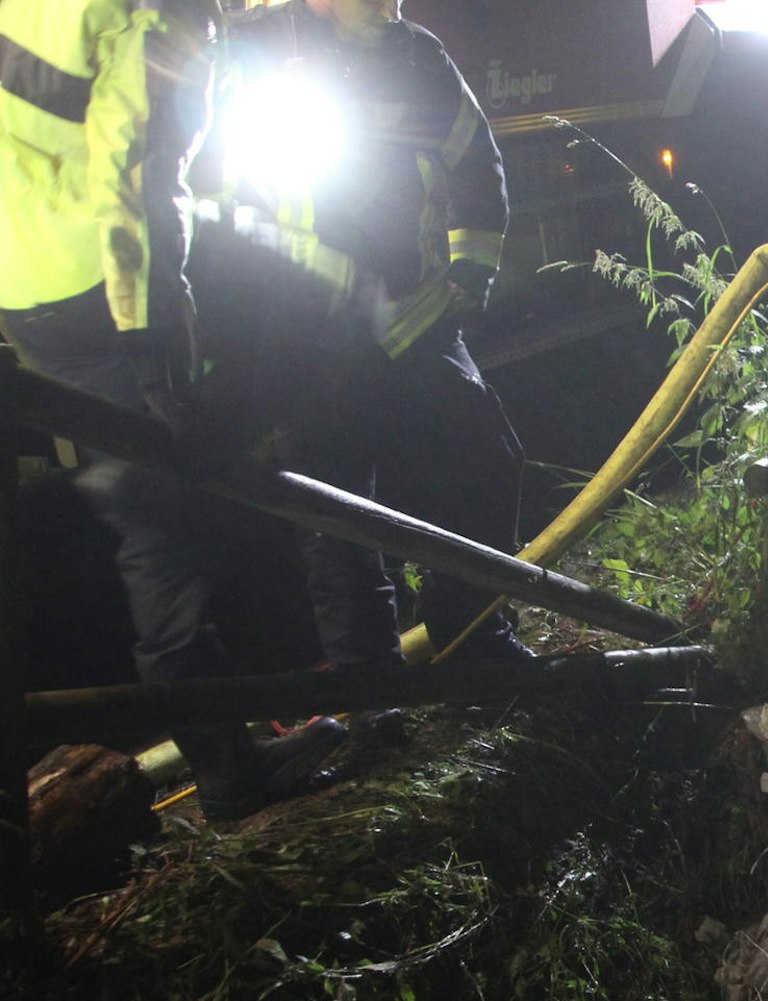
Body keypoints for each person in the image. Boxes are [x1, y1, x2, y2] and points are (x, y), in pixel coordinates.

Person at [0, 0, 347, 821]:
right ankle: (229, 772)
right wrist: (151, 332)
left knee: (140, 508)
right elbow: (134, 169)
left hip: (25, 288)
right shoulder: (157, 11)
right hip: (99, 289)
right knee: (163, 530)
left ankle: (231, 734)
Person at [195, 0, 532, 684]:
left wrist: (470, 270)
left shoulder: (418, 55)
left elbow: (473, 158)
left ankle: (471, 637)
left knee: (484, 465)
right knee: (334, 518)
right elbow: (215, 197)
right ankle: (372, 690)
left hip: (414, 317)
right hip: (308, 336)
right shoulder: (260, 48)